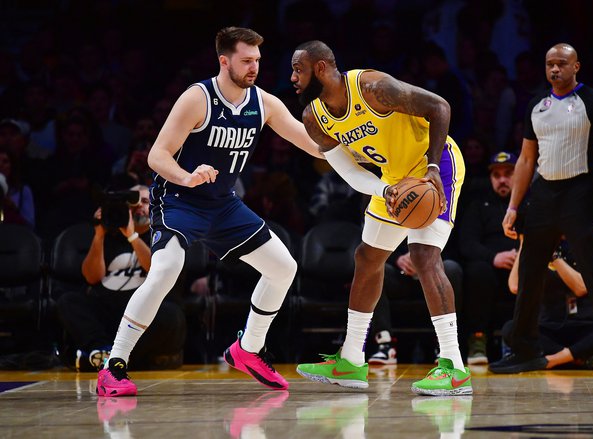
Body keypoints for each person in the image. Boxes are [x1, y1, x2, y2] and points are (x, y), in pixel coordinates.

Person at [96, 27, 323, 397]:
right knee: (167, 269)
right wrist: (187, 177)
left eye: (258, 61)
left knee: (284, 268)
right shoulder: (197, 98)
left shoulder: (264, 103)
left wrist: (358, 146)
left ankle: (247, 349)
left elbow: (311, 144)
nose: (254, 68)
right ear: (224, 60)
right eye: (247, 61)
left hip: (223, 205)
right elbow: (157, 156)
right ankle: (113, 367)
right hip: (180, 200)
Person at [291, 40, 470, 396]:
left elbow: (440, 107)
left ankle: (454, 365)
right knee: (367, 257)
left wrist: (433, 168)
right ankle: (351, 360)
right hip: (393, 181)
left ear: (322, 69)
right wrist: (383, 190)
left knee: (423, 256)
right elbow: (347, 171)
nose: (293, 78)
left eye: (299, 70)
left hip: (434, 169)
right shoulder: (314, 117)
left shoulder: (373, 88)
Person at [489, 43, 593, 376]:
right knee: (530, 272)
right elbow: (525, 159)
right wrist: (513, 207)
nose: (555, 69)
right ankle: (525, 351)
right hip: (544, 193)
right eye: (550, 64)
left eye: (562, 64)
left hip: (581, 191)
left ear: (576, 66)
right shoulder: (536, 106)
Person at [56, 185, 185, 371]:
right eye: (134, 204)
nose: (140, 207)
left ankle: (106, 360)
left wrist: (132, 236)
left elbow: (156, 269)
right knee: (68, 301)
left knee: (171, 314)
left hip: (143, 313)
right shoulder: (109, 234)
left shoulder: (163, 234)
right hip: (109, 309)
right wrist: (99, 235)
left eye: (146, 202)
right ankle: (101, 350)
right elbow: (92, 278)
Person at [502, 236, 593, 370]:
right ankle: (579, 358)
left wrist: (553, 256)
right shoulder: (536, 247)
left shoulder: (585, 242)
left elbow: (581, 287)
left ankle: (553, 360)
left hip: (584, 325)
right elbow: (515, 286)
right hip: (550, 327)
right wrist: (525, 242)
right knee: (511, 328)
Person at [458, 151, 519, 365]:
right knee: (477, 271)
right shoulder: (478, 205)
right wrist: (494, 257)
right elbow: (466, 243)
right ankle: (477, 341)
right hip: (490, 270)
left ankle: (529, 341)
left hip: (522, 266)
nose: (502, 179)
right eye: (496, 175)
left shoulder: (529, 202)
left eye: (508, 173)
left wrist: (521, 257)